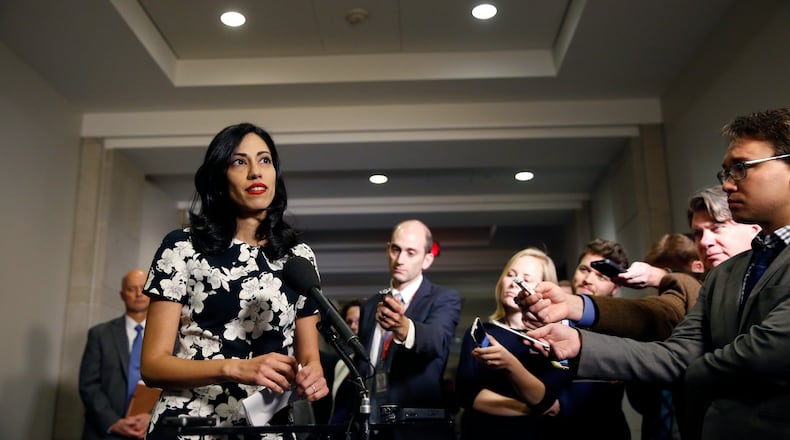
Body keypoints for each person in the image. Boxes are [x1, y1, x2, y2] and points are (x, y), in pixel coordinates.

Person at [526, 107, 790, 439]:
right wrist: (579, 343)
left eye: (740, 168)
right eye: (725, 173)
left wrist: (688, 369)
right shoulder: (727, 274)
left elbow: (763, 356)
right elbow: (677, 352)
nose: (727, 185)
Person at [139, 122, 328, 438]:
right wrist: (235, 368)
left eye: (264, 160)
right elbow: (153, 366)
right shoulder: (181, 247)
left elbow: (310, 358)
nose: (256, 172)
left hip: (270, 428)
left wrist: (313, 376)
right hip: (192, 424)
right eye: (240, 161)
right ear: (219, 177)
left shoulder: (299, 256)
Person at [339, 219, 461, 440]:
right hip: (369, 425)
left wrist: (404, 327)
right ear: (388, 249)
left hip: (414, 428)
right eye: (396, 249)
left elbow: (437, 341)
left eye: (411, 252)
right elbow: (363, 366)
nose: (400, 259)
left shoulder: (443, 298)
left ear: (427, 259)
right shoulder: (370, 305)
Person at [454, 248, 570, 440]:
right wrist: (529, 408)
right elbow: (467, 395)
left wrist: (511, 365)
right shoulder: (482, 333)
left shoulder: (553, 337)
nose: (514, 283)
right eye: (511, 275)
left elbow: (551, 395)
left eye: (526, 278)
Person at [549, 238, 632, 439]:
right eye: (584, 269)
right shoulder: (550, 320)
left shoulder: (624, 329)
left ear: (616, 287)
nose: (588, 279)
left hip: (607, 430)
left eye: (601, 276)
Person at [79, 269, 151, 440]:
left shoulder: (171, 338)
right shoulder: (99, 334)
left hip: (151, 431)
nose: (139, 294)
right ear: (122, 294)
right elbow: (89, 386)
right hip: (104, 432)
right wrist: (113, 422)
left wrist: (152, 416)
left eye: (143, 288)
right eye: (131, 289)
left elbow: (175, 387)